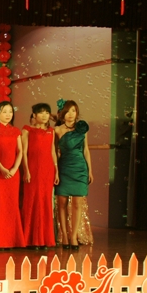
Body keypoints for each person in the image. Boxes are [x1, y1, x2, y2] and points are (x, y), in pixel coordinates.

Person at [0, 102, 26, 249]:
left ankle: (12, 240)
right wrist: (1, 168)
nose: (8, 115)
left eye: (10, 112)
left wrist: (14, 168)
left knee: (11, 205)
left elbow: (20, 151)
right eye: (4, 111)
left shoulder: (16, 131)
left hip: (13, 174)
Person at [55, 99, 94, 249]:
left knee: (78, 203)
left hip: (80, 169)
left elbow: (86, 150)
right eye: (67, 111)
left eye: (74, 111)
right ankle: (64, 235)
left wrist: (90, 170)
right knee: (62, 203)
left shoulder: (82, 129)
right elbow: (54, 152)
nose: (71, 114)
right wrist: (55, 171)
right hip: (64, 168)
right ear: (62, 114)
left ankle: (74, 236)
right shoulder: (57, 130)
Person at [21, 103, 58, 248]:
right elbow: (24, 152)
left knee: (45, 202)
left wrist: (56, 170)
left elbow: (52, 151)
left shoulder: (51, 131)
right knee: (32, 201)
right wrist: (26, 170)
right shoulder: (27, 130)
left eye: (47, 113)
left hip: (48, 171)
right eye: (41, 113)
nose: (44, 115)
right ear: (34, 115)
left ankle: (45, 239)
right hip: (33, 170)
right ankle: (30, 239)